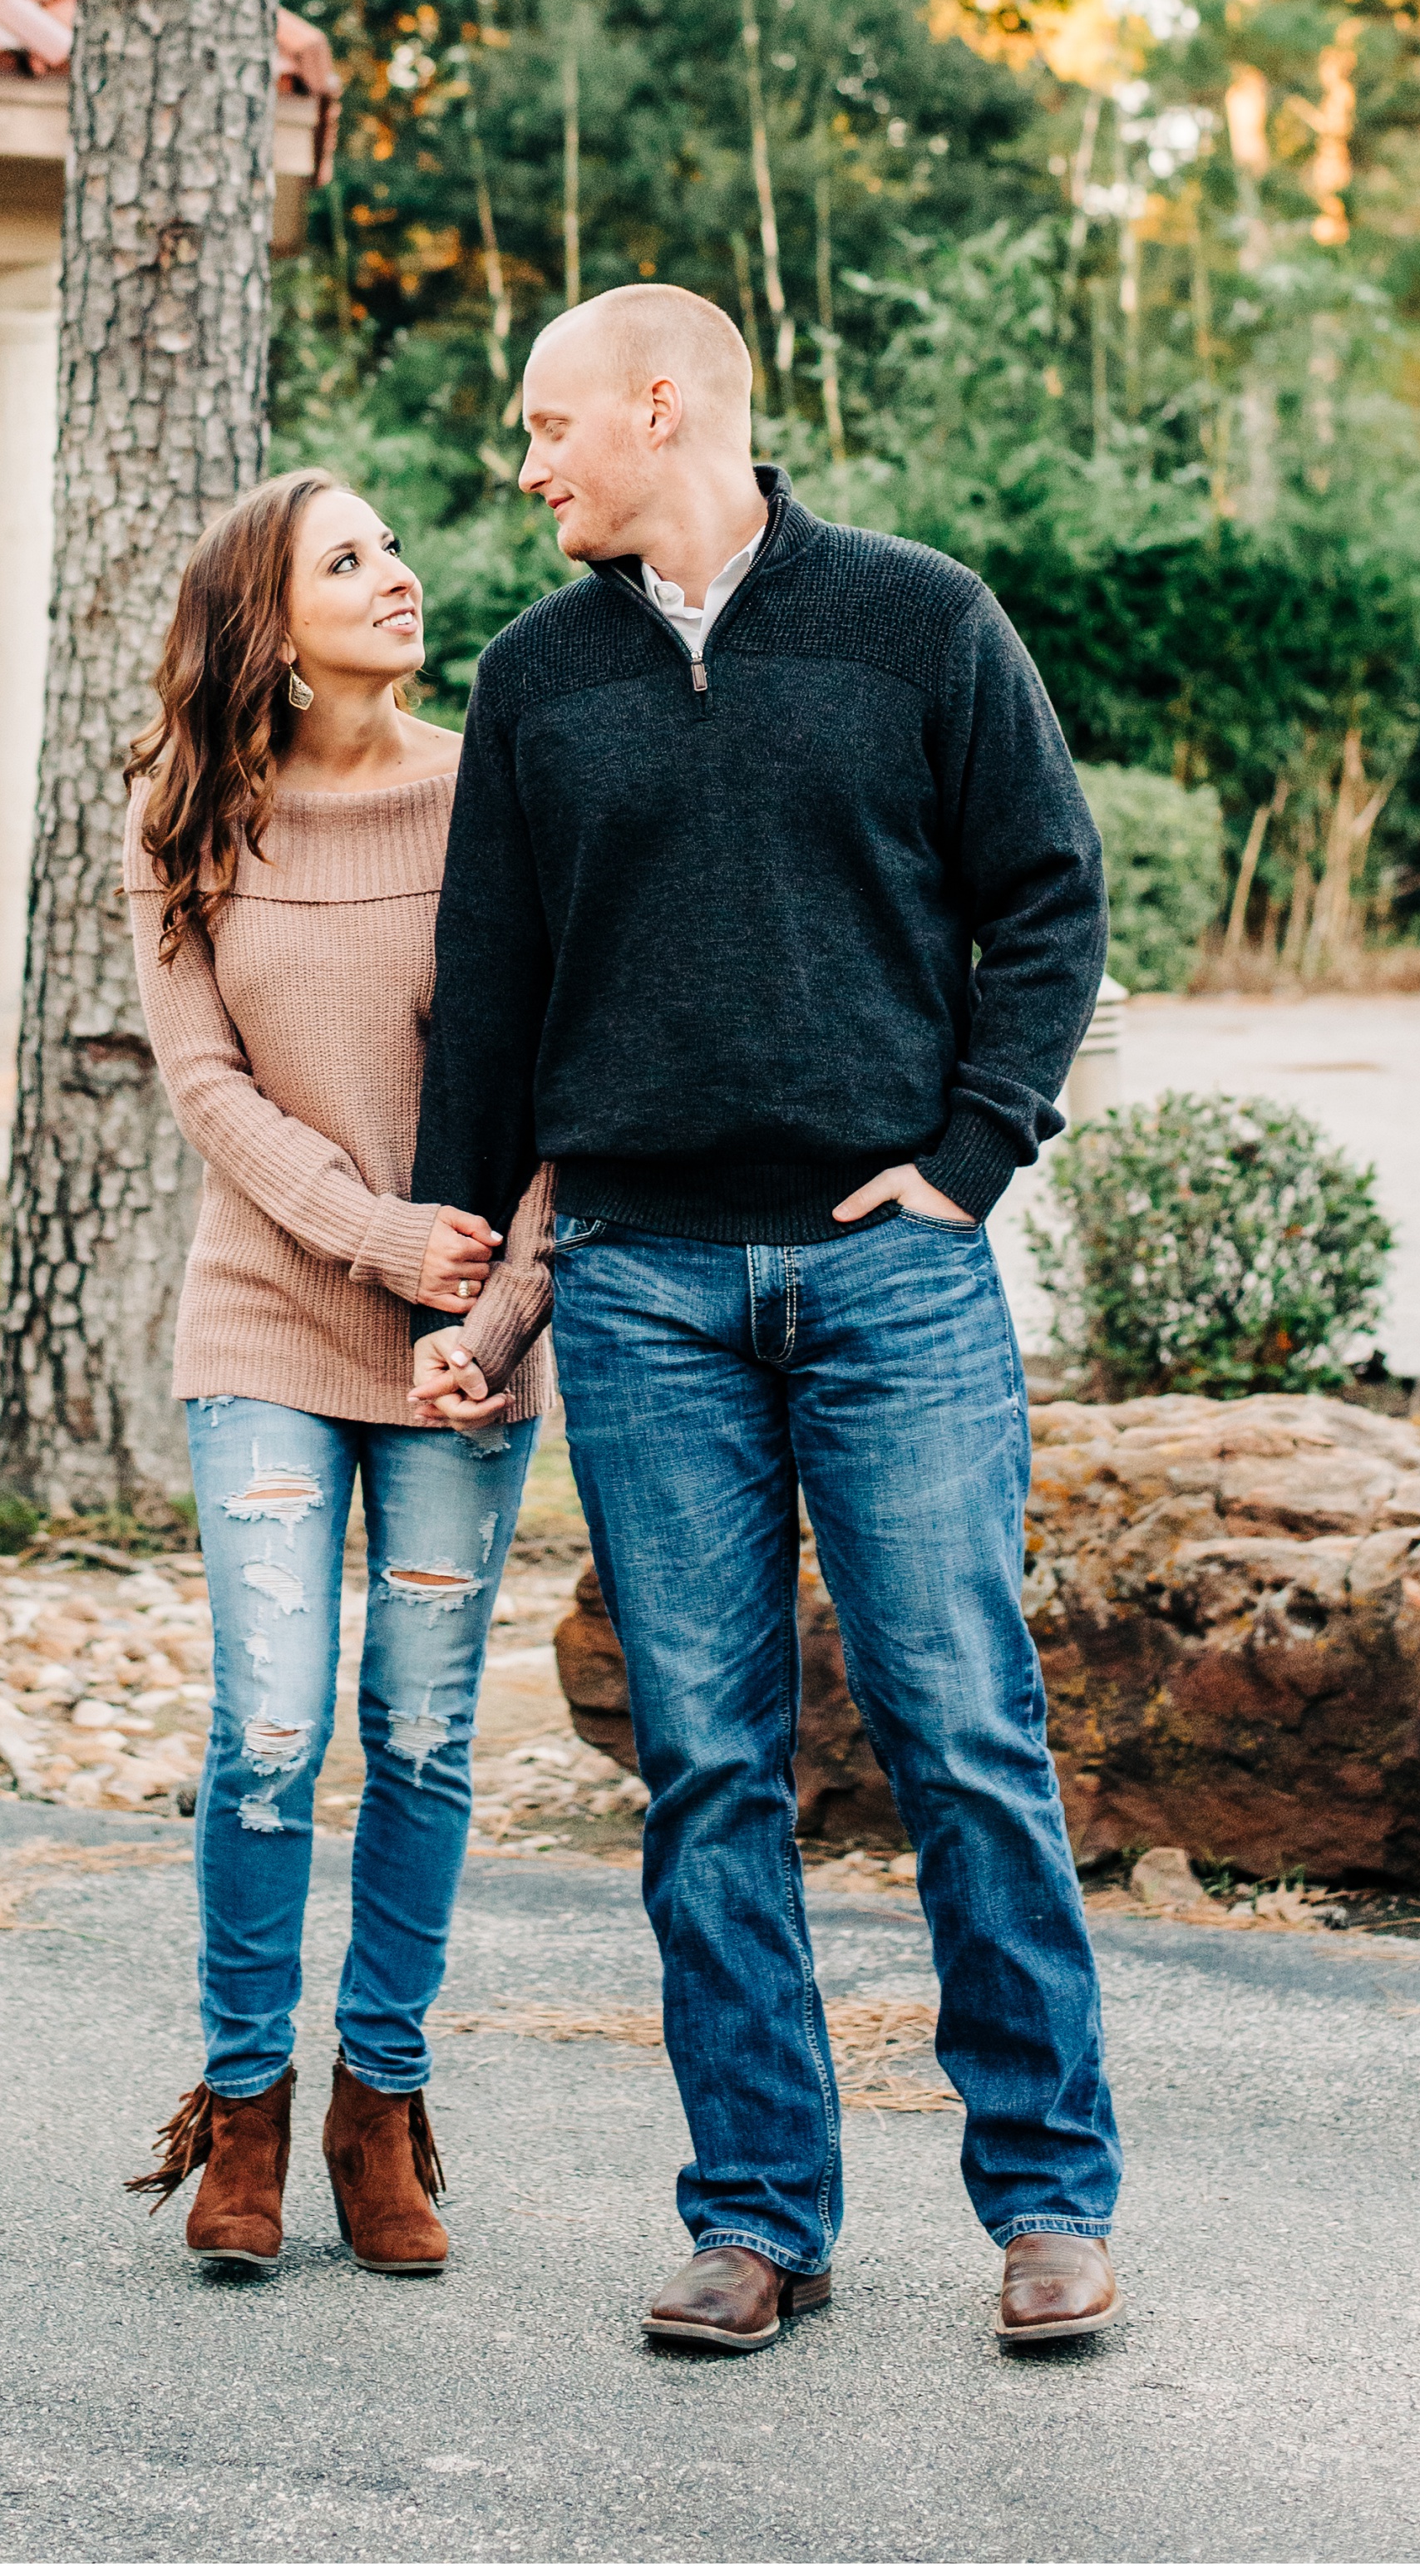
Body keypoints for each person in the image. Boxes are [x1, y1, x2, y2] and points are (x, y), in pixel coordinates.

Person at [406, 287, 1123, 2357]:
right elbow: (497, 986)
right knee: (706, 1764)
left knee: (962, 1736)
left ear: (662, 407)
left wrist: (973, 1152)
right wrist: (486, 1281)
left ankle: (1051, 2201)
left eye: (548, 424)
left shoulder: (918, 618)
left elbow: (1047, 898)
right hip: (639, 1290)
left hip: (890, 1272)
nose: (526, 465)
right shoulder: (538, 679)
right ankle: (754, 2215)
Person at [121, 466, 552, 2283]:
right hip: (271, 1325)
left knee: (430, 1732)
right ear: (268, 627)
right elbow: (204, 1081)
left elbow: (566, 1069)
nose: (398, 572)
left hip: (468, 1347)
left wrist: (503, 1303)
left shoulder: (502, 791)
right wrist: (375, 1235)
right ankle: (241, 2113)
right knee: (277, 1724)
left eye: (391, 546)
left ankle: (381, 2110)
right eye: (347, 558)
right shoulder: (184, 814)